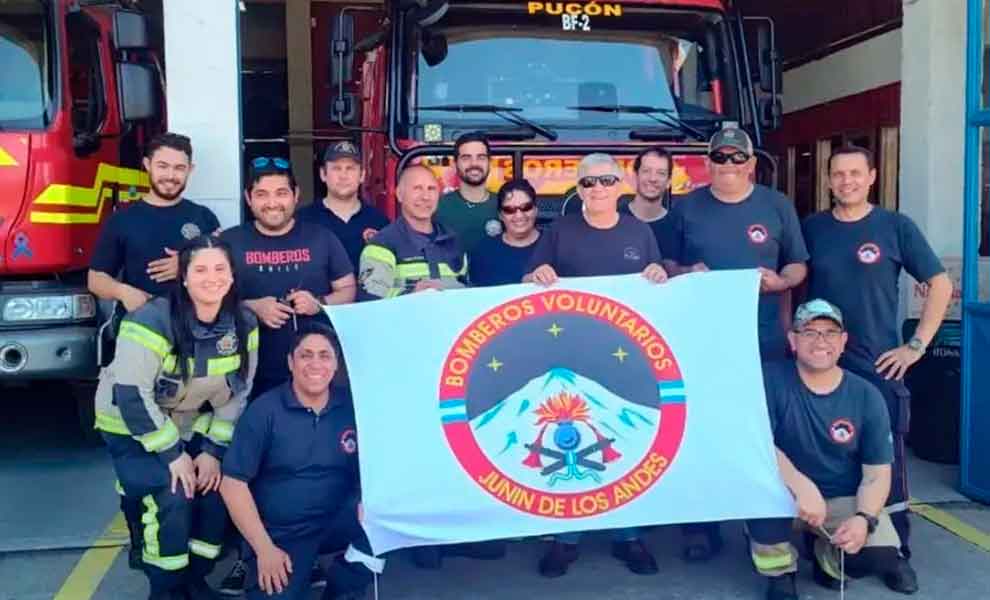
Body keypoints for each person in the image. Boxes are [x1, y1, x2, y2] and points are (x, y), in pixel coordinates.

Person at [802, 145, 953, 592]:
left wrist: (916, 346)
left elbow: (940, 284)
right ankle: (832, 544)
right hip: (821, 365)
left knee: (884, 461)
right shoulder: (813, 228)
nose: (845, 181)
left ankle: (894, 553)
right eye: (837, 174)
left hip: (878, 367)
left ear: (871, 177)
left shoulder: (895, 227)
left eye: (854, 173)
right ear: (828, 181)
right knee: (824, 455)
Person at [663, 128, 808, 562]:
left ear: (750, 164)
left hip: (763, 341)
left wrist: (782, 281)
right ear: (707, 164)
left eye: (735, 158)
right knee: (704, 431)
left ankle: (762, 526)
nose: (727, 165)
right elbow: (665, 263)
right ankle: (701, 525)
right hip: (701, 342)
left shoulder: (777, 205)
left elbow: (798, 265)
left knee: (762, 435)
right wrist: (687, 269)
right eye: (718, 158)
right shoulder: (686, 207)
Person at [525, 153, 668, 578]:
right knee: (571, 442)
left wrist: (661, 272)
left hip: (627, 360)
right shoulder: (558, 232)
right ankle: (567, 540)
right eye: (588, 183)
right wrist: (538, 273)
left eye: (606, 180)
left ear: (621, 183)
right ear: (578, 188)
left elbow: (659, 286)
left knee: (625, 444)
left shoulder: (639, 232)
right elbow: (527, 280)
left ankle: (630, 536)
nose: (598, 189)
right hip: (569, 359)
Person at [93, 236, 259, 600]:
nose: (211, 278)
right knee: (174, 494)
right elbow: (132, 395)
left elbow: (238, 392)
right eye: (200, 269)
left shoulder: (244, 323)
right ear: (183, 277)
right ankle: (165, 589)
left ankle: (195, 580)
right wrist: (173, 455)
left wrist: (212, 452)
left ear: (232, 276)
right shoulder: (150, 320)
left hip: (187, 423)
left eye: (220, 269)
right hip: (130, 426)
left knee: (218, 490)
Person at [88, 132, 221, 570]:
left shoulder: (202, 217)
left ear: (190, 170)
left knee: (181, 453)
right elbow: (96, 279)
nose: (171, 175)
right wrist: (126, 292)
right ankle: (138, 540)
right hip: (141, 351)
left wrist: (186, 264)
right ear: (147, 165)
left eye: (179, 167)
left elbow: (220, 263)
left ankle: (178, 548)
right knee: (137, 463)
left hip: (191, 356)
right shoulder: (124, 221)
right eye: (163, 166)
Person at [750, 299, 908, 600]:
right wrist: (801, 486)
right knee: (761, 504)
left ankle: (828, 555)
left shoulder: (867, 395)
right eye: (809, 332)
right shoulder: (769, 380)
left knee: (879, 556)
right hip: (784, 495)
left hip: (842, 497)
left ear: (843, 341)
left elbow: (877, 474)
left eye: (830, 332)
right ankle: (780, 573)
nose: (821, 341)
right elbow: (756, 443)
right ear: (793, 340)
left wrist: (864, 518)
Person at [220, 325, 380, 600]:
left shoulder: (353, 408)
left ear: (336, 364)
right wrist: (264, 549)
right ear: (291, 363)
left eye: (324, 356)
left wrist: (371, 501)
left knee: (383, 523)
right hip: (283, 532)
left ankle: (343, 586)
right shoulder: (264, 411)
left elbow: (377, 466)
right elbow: (232, 483)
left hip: (338, 521)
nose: (315, 364)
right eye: (306, 355)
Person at [220, 157, 356, 399]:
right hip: (247, 376)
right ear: (248, 198)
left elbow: (348, 289)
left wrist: (319, 303)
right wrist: (252, 307)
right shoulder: (228, 243)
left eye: (281, 193)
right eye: (262, 194)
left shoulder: (322, 238)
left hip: (316, 375)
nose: (272, 203)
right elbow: (203, 300)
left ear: (296, 195)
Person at [358, 164, 468, 300]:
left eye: (431, 189)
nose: (425, 196)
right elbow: (369, 303)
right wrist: (410, 295)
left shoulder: (453, 241)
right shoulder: (381, 245)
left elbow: (466, 292)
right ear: (399, 194)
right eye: (417, 188)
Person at [297, 140, 389, 274]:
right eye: (336, 168)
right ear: (323, 174)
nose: (343, 176)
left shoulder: (379, 221)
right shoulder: (303, 220)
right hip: (319, 295)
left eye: (350, 168)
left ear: (362, 175)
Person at [435, 131, 501, 254]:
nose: (474, 164)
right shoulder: (437, 207)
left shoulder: (504, 206)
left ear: (489, 163)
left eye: (481, 157)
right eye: (466, 158)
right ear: (455, 164)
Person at [469, 179, 541, 287]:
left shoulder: (556, 245)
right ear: (500, 215)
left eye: (526, 207)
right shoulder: (483, 251)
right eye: (509, 210)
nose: (519, 216)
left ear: (535, 210)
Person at [621, 146, 676, 255]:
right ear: (635, 176)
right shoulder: (614, 220)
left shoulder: (677, 227)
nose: (652, 179)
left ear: (669, 181)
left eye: (661, 173)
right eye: (646, 171)